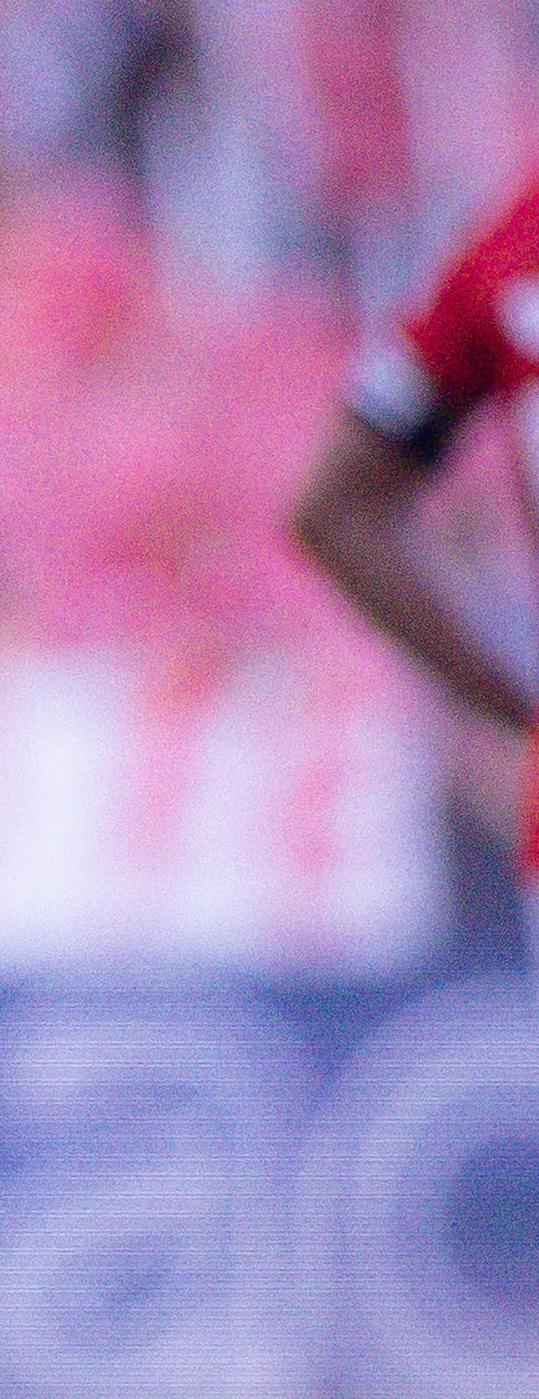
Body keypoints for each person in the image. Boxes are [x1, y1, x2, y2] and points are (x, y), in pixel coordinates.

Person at [294, 187, 539, 909]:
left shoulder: (510, 245)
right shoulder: (507, 253)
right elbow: (335, 513)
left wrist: (519, 710)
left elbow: (334, 509)